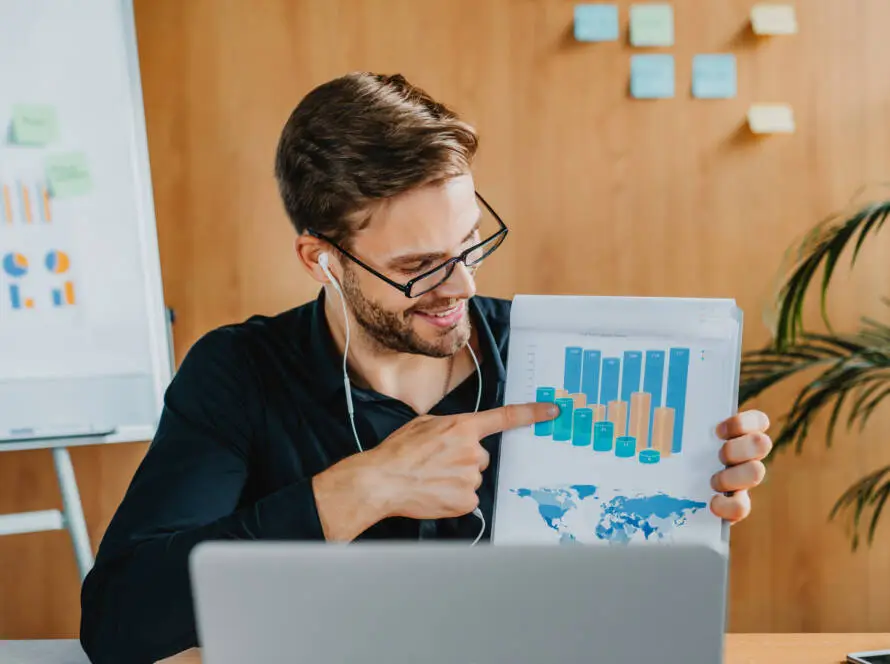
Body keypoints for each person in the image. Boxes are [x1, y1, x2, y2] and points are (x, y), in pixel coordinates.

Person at [79, 72, 773, 663]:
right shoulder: (240, 372)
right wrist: (362, 489)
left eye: (469, 244)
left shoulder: (555, 353)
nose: (462, 286)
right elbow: (117, 623)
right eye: (418, 267)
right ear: (319, 258)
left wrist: (684, 497)